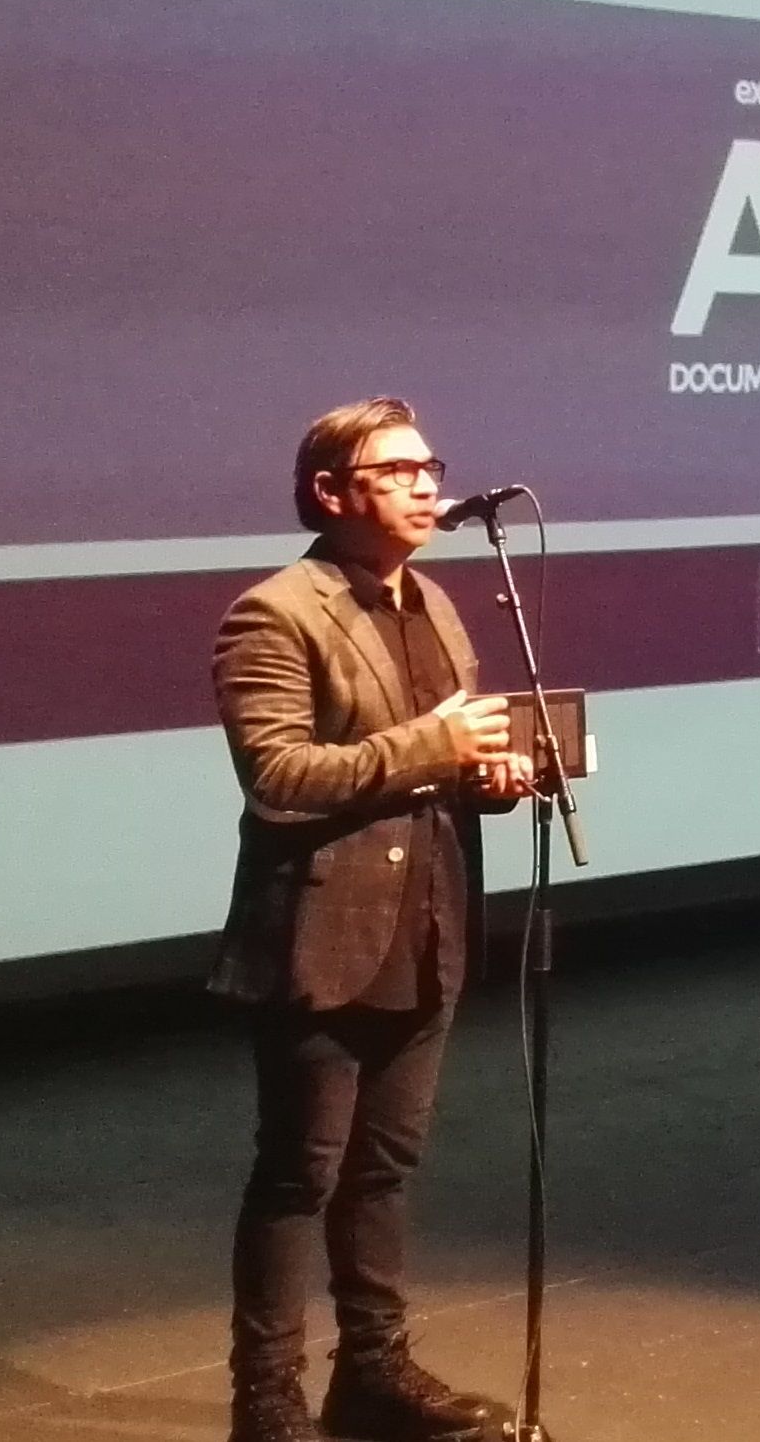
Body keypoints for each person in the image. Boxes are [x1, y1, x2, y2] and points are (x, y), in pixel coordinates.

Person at [210, 397, 530, 1442]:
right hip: (322, 932)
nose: (427, 485)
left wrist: (489, 777)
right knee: (299, 1173)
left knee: (385, 1168)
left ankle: (372, 1373)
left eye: (430, 466)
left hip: (428, 923)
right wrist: (435, 747)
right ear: (330, 492)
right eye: (397, 471)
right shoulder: (275, 612)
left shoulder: (433, 602)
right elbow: (278, 776)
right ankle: (267, 1401)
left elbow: (439, 768)